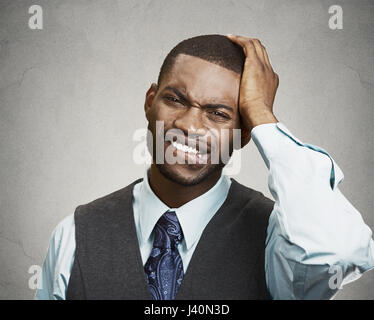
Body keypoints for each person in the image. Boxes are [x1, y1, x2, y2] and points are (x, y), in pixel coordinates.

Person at [35, 34, 374, 300]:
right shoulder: (75, 235)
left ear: (244, 134)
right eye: (175, 100)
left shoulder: (278, 238)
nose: (190, 126)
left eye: (218, 113)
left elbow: (338, 252)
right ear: (150, 101)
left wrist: (262, 116)